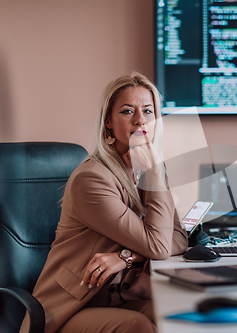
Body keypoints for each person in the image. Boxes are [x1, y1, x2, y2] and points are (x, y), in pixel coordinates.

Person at [20, 73, 188, 333]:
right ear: (108, 121)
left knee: (181, 311)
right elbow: (159, 245)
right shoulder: (92, 179)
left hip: (120, 298)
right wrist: (155, 175)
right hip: (72, 307)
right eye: (127, 111)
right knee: (138, 326)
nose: (140, 120)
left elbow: (177, 237)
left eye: (148, 111)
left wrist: (126, 258)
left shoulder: (148, 169)